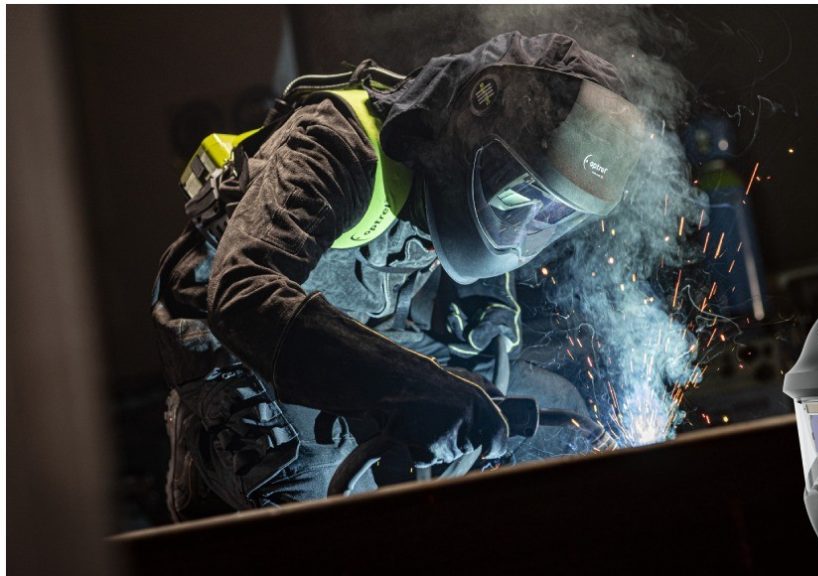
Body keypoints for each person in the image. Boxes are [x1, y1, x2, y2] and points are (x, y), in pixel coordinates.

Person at [153, 32, 645, 520]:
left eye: (552, 213)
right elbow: (242, 292)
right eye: (522, 195)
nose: (530, 220)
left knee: (556, 412)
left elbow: (444, 264)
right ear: (473, 131)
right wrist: (410, 388)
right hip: (237, 337)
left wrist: (468, 315)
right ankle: (206, 457)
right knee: (322, 481)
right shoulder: (334, 146)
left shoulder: (460, 181)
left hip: (359, 323)